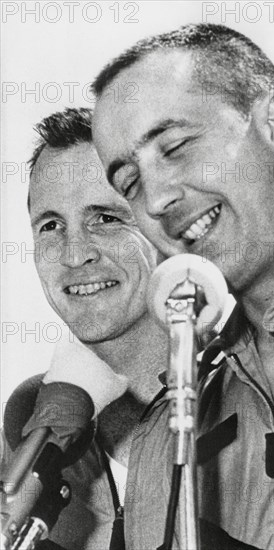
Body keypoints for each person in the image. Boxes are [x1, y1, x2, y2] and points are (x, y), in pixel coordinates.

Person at [91, 24, 274, 550]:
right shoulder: (165, 442)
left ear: (273, 125)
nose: (156, 199)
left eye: (176, 146)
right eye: (130, 184)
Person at [1, 107, 168, 550]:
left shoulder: (246, 398)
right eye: (51, 225)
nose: (75, 254)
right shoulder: (30, 416)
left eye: (106, 218)